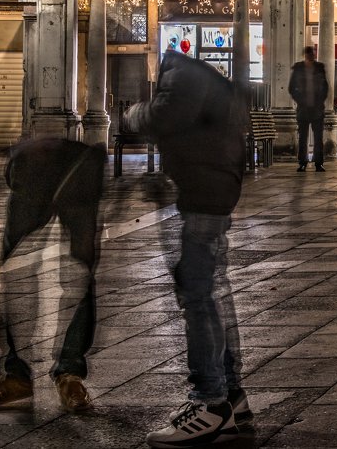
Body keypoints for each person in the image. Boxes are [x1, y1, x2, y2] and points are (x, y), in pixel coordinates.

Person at [126, 52, 251, 447]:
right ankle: (232, 397)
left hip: (204, 195)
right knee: (209, 294)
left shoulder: (180, 73)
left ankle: (210, 403)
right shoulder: (201, 76)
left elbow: (165, 116)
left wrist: (133, 114)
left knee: (197, 297)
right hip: (211, 191)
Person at [0, 138, 106, 422]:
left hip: (77, 163)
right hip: (35, 161)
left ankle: (68, 373)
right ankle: (19, 376)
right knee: (16, 274)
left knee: (78, 274)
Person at [288, 46, 329, 172]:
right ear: (306, 55)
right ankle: (302, 162)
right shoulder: (298, 68)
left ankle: (318, 163)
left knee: (318, 138)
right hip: (303, 108)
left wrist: (320, 101)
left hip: (317, 108)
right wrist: (300, 100)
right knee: (303, 137)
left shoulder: (319, 68)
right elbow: (291, 88)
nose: (312, 56)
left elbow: (325, 87)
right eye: (310, 54)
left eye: (313, 54)